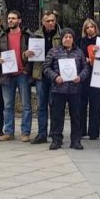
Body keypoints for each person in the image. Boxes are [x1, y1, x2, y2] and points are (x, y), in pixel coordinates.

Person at [45, 28, 91, 150]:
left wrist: (80, 77)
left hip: (75, 90)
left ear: (73, 39)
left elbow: (86, 68)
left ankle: (76, 140)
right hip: (58, 89)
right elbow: (46, 68)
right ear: (62, 38)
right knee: (57, 116)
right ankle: (56, 140)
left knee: (76, 116)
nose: (68, 39)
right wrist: (55, 77)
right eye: (65, 37)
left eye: (70, 37)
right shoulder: (53, 51)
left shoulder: (79, 52)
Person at [29, 11, 61, 145]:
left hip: (55, 75)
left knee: (54, 105)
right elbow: (27, 56)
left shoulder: (62, 35)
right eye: (47, 21)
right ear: (43, 22)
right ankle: (42, 133)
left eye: (52, 20)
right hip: (41, 75)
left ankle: (54, 133)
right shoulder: (35, 35)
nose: (50, 23)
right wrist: (27, 54)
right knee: (41, 105)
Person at [0, 10, 32, 141]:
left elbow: (34, 53)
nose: (10, 21)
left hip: (22, 73)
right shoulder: (3, 36)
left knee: (26, 105)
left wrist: (27, 69)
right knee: (7, 105)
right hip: (7, 74)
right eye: (9, 18)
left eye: (13, 18)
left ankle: (25, 132)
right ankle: (8, 132)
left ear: (19, 20)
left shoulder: (27, 35)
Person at [78, 19, 100, 140]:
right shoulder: (81, 41)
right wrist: (84, 60)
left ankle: (94, 132)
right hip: (84, 75)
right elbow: (77, 55)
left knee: (96, 104)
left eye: (92, 27)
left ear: (95, 28)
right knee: (82, 104)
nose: (90, 29)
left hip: (97, 75)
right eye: (87, 27)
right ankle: (82, 131)